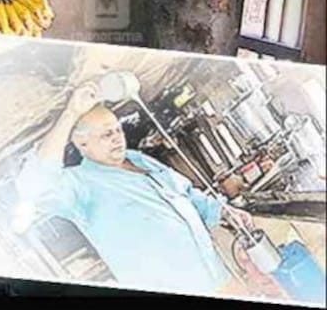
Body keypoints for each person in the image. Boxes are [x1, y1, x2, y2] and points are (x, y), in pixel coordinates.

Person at [13, 81, 257, 296]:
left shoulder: (138, 159)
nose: (117, 138)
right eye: (107, 134)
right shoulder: (80, 185)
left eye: (117, 130)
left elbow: (187, 195)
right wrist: (71, 113)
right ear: (82, 144)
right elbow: (35, 186)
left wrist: (224, 212)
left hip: (219, 277)